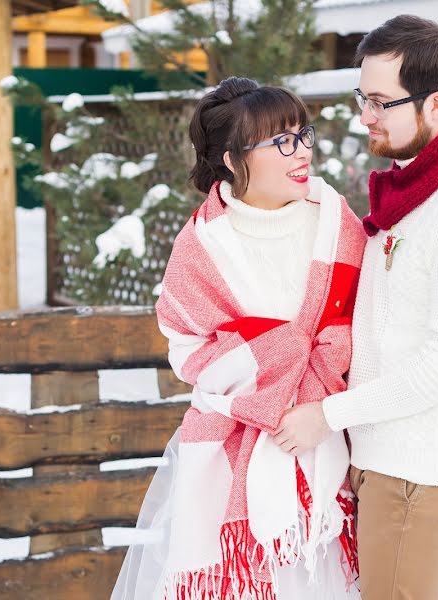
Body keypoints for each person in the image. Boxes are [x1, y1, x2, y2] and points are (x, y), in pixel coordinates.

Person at [273, 15, 438, 600]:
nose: (365, 117)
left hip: (418, 474)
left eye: (381, 102)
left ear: (435, 105)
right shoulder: (415, 188)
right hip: (393, 462)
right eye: (364, 97)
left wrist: (327, 415)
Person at [111, 76, 363, 600]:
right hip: (235, 447)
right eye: (281, 141)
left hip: (333, 441)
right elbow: (187, 346)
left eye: (304, 133)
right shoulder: (202, 247)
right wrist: (269, 369)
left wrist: (318, 404)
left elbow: (363, 329)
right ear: (231, 159)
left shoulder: (338, 226)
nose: (303, 152)